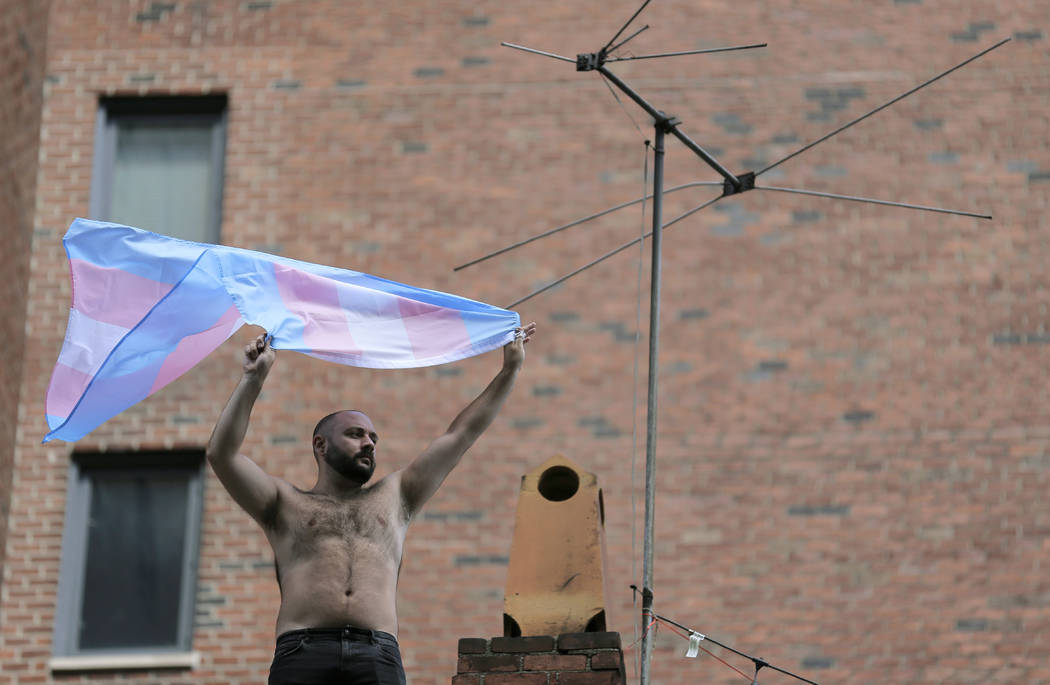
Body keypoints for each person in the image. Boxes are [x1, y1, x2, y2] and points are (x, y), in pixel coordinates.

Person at [206, 322, 537, 685]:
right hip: (302, 652)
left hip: (377, 654)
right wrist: (252, 380)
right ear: (320, 445)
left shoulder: (396, 495)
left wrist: (509, 370)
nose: (369, 443)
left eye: (373, 437)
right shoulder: (284, 503)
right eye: (355, 434)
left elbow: (460, 434)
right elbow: (222, 455)